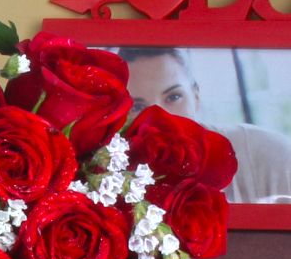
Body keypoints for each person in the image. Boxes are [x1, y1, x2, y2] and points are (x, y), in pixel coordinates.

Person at [117, 46, 291, 205]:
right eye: (138, 106)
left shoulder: (268, 155)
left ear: (196, 96)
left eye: (173, 97)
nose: (161, 117)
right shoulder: (104, 173)